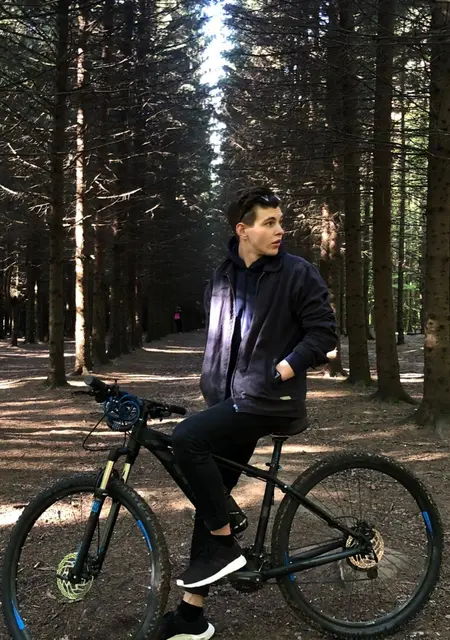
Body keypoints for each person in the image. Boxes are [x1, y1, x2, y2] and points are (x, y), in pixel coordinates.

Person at [158, 185, 337, 640]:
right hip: (230, 402)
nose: (280, 230)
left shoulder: (297, 273)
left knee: (186, 438)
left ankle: (223, 544)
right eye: (269, 223)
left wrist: (284, 368)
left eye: (280, 222)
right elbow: (220, 339)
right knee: (211, 497)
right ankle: (192, 618)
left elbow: (323, 333)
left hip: (270, 400)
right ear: (243, 230)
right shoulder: (221, 276)